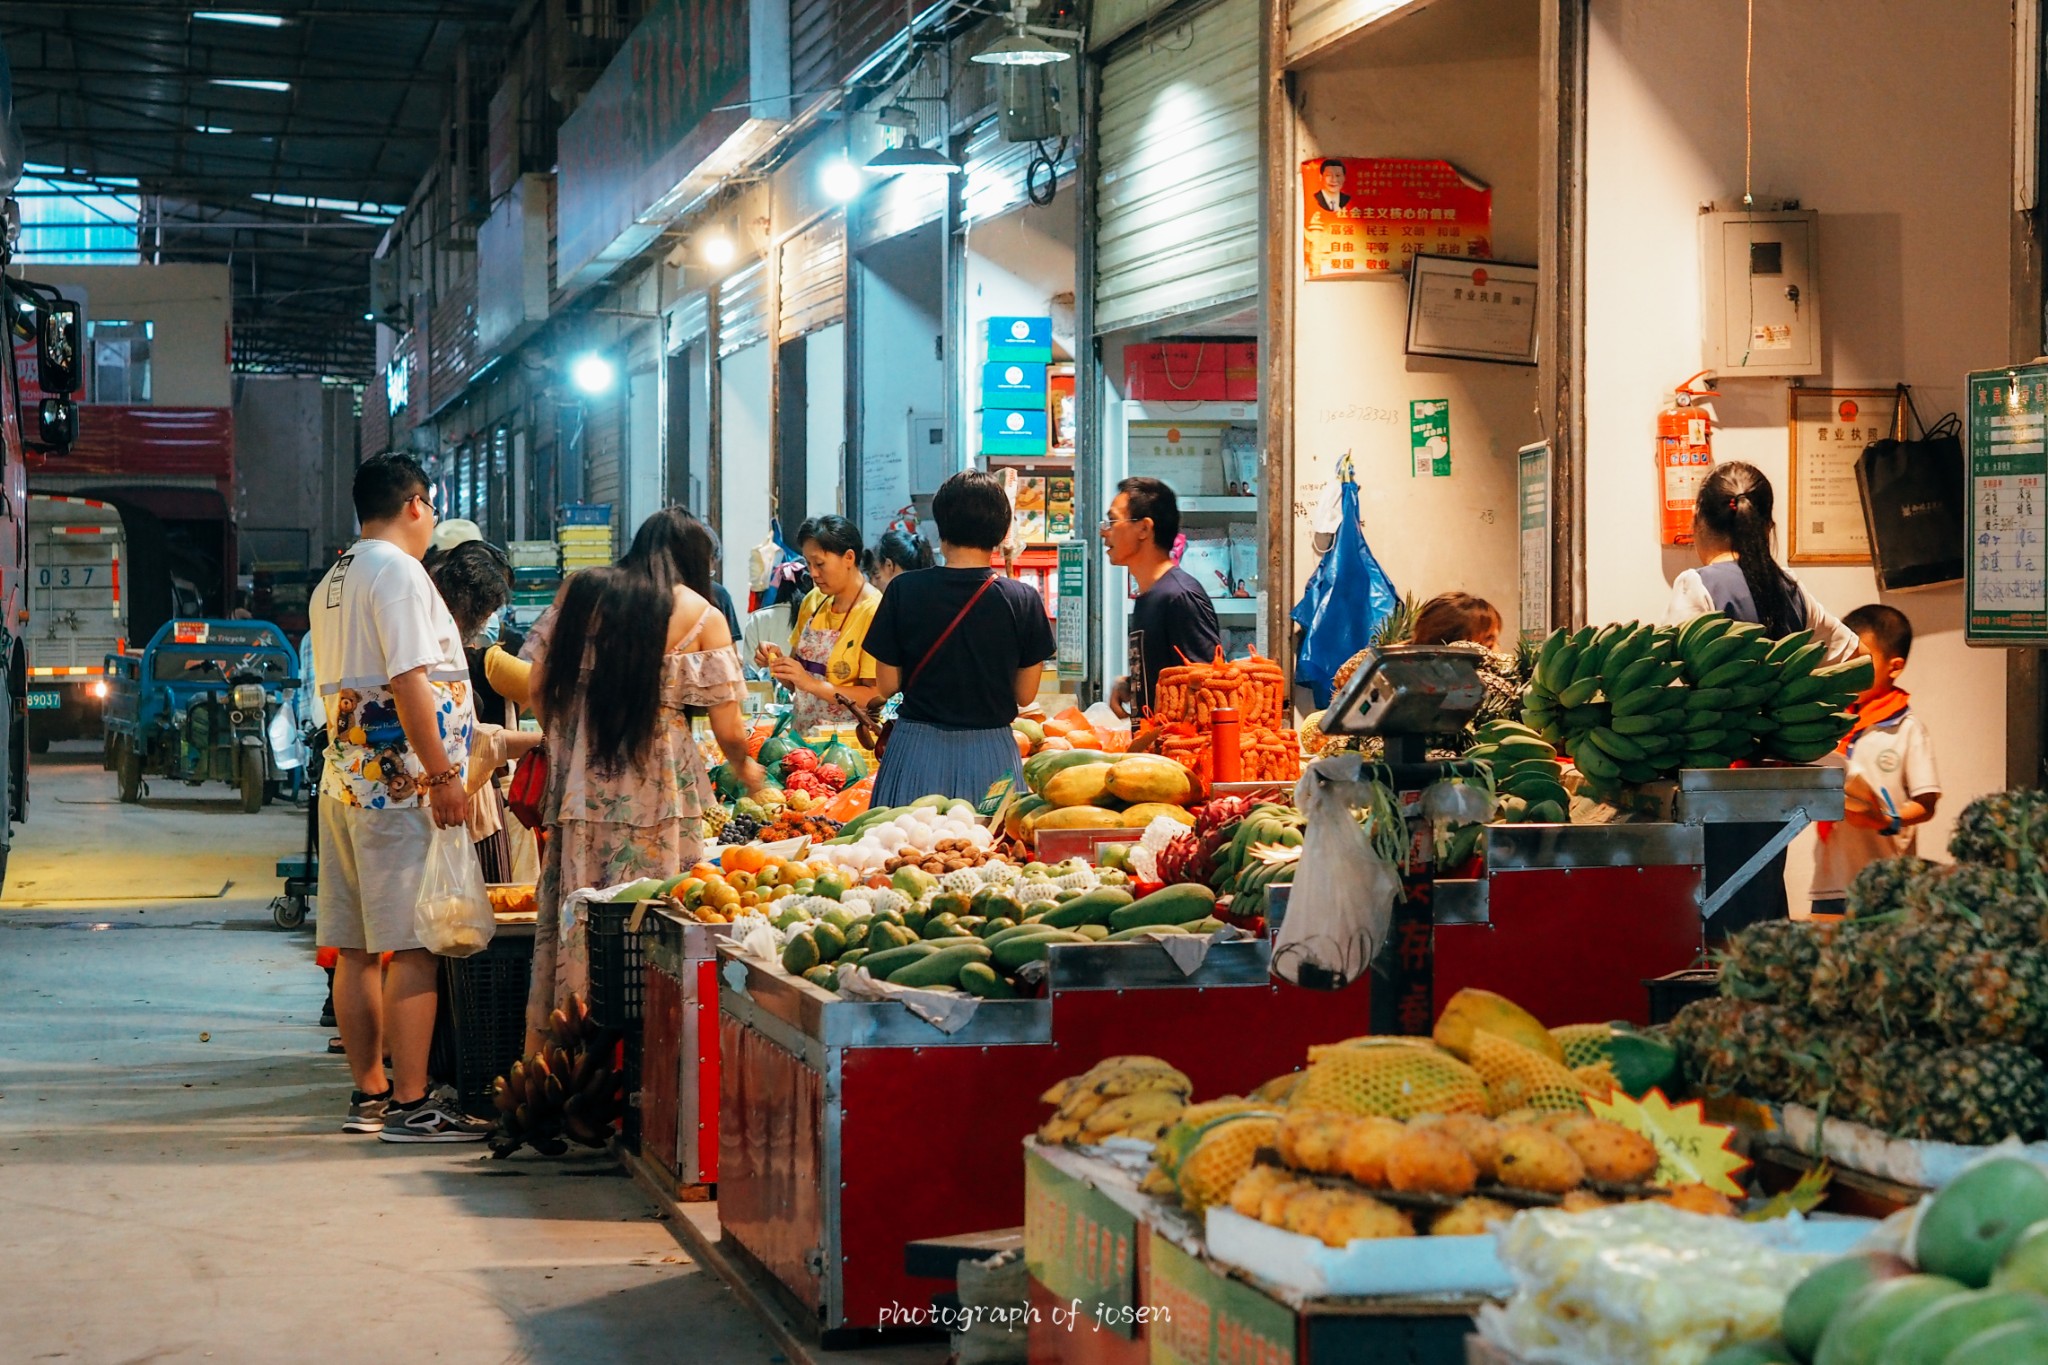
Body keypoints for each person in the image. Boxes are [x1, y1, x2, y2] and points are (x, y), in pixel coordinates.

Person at [310, 453, 487, 1143]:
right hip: (398, 784)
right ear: (416, 503)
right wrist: (444, 776)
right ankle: (414, 1103)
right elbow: (411, 681)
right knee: (414, 943)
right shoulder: (398, 572)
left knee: (354, 947)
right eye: (433, 507)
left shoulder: (336, 577)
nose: (432, 519)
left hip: (345, 781)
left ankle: (371, 1094)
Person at [523, 566, 764, 1045]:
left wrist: (568, 743)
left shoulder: (584, 594)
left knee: (582, 910)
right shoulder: (698, 613)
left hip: (585, 786)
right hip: (661, 789)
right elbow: (729, 726)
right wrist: (746, 770)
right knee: (664, 913)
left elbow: (537, 687)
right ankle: (656, 1048)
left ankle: (570, 1052)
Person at [1661, 461, 1859, 937]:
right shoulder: (1790, 588)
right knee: (1762, 892)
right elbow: (1855, 655)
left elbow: (1670, 681)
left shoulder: (1697, 585)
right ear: (1767, 527)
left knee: (1711, 912)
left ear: (1697, 523)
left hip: (1714, 779)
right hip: (1777, 781)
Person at [866, 470, 1055, 805]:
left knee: (905, 852)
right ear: (1000, 532)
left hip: (915, 754)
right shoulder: (1022, 599)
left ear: (942, 528)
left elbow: (887, 686)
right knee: (990, 853)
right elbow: (1025, 695)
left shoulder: (903, 591)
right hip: (991, 758)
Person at [1809, 605, 1941, 916]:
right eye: (1843, 660)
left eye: (1859, 662)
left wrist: (1886, 818)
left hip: (1889, 883)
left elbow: (1927, 802)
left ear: (1894, 667)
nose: (1847, 671)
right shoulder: (1832, 725)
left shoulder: (1907, 729)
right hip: (1831, 880)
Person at [427, 540, 540, 884]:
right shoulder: (481, 656)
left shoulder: (476, 649)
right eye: (489, 605)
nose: (492, 615)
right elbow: (540, 691)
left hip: (480, 794)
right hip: (466, 796)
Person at [1103, 476, 1221, 720]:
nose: (1105, 531)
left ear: (1144, 528)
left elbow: (1210, 689)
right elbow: (1170, 677)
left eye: (1113, 521)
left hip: (1180, 756)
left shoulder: (1180, 596)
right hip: (1155, 752)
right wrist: (1132, 685)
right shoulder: (1149, 596)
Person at [754, 514, 881, 736]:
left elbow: (874, 696)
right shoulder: (813, 600)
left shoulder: (875, 610)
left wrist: (811, 684)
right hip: (804, 739)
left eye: (820, 564)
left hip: (850, 743)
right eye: (809, 564)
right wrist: (777, 664)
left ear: (849, 557)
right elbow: (797, 683)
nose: (812, 573)